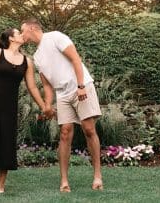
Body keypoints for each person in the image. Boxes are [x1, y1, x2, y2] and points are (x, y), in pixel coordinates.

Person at [20, 18, 103, 192]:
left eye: (23, 31)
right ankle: (64, 181)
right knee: (65, 133)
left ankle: (97, 176)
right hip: (62, 93)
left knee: (89, 129)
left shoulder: (55, 37)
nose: (22, 35)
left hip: (81, 87)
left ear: (32, 28)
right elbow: (48, 85)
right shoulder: (36, 56)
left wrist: (81, 86)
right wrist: (47, 105)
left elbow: (75, 59)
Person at [0, 27, 46, 195]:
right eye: (18, 33)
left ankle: (0, 187)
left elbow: (32, 87)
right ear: (11, 38)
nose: (22, 35)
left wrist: (44, 106)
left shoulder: (27, 61)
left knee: (6, 143)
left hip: (9, 107)